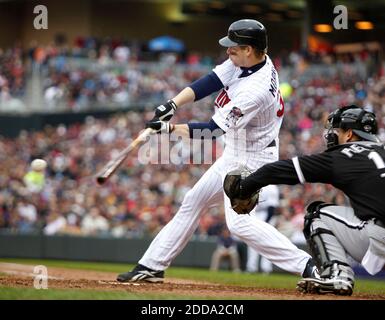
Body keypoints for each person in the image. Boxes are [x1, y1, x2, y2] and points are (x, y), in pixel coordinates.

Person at [117, 19, 317, 283]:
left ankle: (310, 267)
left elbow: (211, 131)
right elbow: (210, 81)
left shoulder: (254, 90)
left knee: (239, 224)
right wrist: (172, 104)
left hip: (251, 160)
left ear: (248, 49)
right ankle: (152, 266)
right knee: (193, 201)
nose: (228, 51)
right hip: (237, 151)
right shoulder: (250, 61)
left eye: (233, 47)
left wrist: (167, 130)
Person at [224, 105, 385, 295]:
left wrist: (246, 185)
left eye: (338, 131)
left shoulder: (344, 155)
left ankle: (337, 274)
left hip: (379, 236)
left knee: (317, 214)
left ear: (349, 134)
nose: (333, 134)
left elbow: (284, 170)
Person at [246, 184, 279, 274]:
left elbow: (271, 208)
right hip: (255, 214)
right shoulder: (256, 184)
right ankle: (251, 268)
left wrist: (265, 223)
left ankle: (266, 268)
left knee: (267, 242)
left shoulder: (272, 187)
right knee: (252, 242)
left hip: (266, 215)